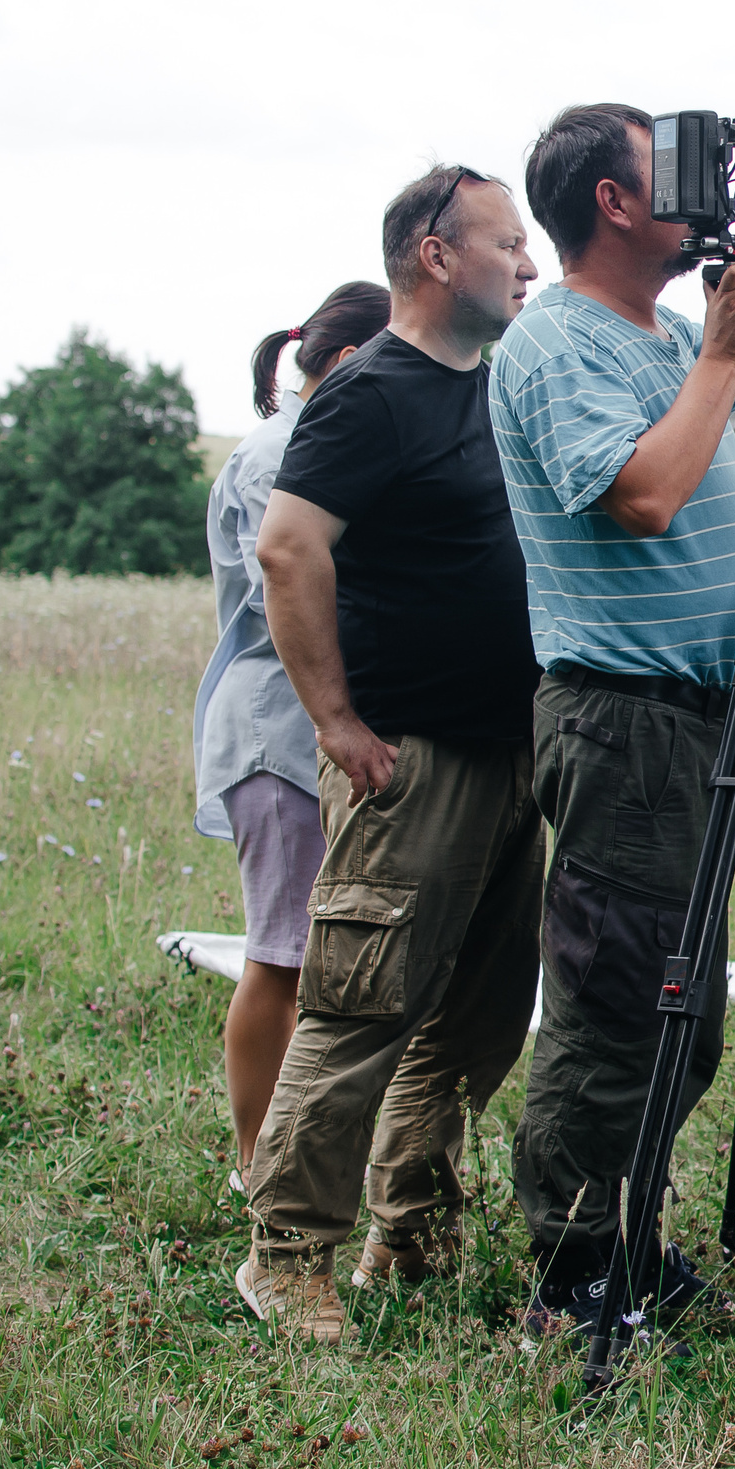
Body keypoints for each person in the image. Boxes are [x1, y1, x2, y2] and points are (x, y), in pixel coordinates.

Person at [488, 102, 735, 1336]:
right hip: (625, 721)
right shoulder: (556, 342)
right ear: (612, 202)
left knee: (684, 1013)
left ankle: (629, 1237)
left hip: (700, 719)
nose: (704, 192)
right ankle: (571, 1277)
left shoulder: (665, 328)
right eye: (672, 175)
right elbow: (648, 497)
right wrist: (723, 353)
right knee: (618, 1006)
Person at [237, 166, 548, 1343]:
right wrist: (334, 722)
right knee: (362, 1008)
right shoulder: (372, 393)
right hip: (407, 757)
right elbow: (288, 548)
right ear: (434, 254)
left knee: (470, 1020)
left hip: (510, 750)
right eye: (506, 243)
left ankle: (409, 1232)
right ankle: (284, 1257)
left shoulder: (497, 382)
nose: (526, 264)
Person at [191, 280, 390, 1188]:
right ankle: (253, 1167)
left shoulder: (302, 441)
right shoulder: (279, 452)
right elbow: (300, 590)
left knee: (311, 953)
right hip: (278, 728)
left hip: (303, 722)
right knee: (281, 953)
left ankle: (296, 1157)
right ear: (349, 365)